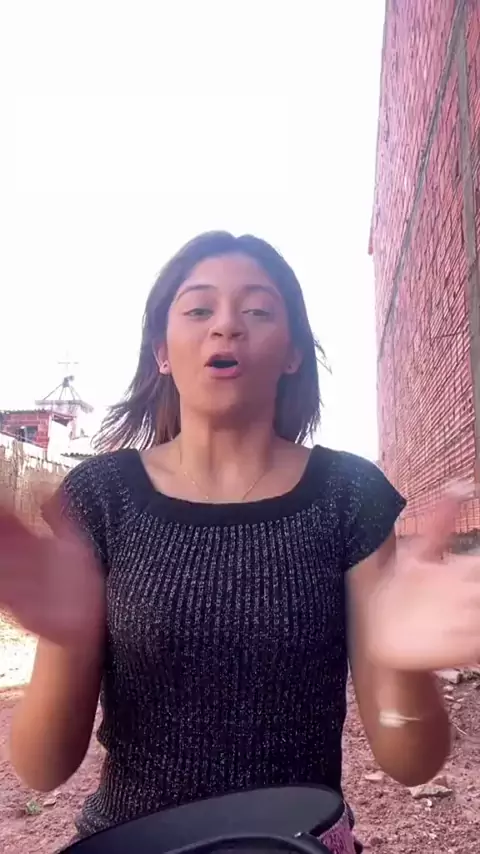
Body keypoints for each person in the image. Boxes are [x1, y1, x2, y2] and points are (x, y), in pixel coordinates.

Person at [1, 232, 479, 851]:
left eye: (257, 309)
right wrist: (65, 639)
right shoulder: (102, 497)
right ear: (162, 352)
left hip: (295, 845)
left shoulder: (349, 494)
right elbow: (43, 770)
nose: (226, 325)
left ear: (293, 354)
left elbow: (411, 763)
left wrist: (406, 663)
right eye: (199, 308)